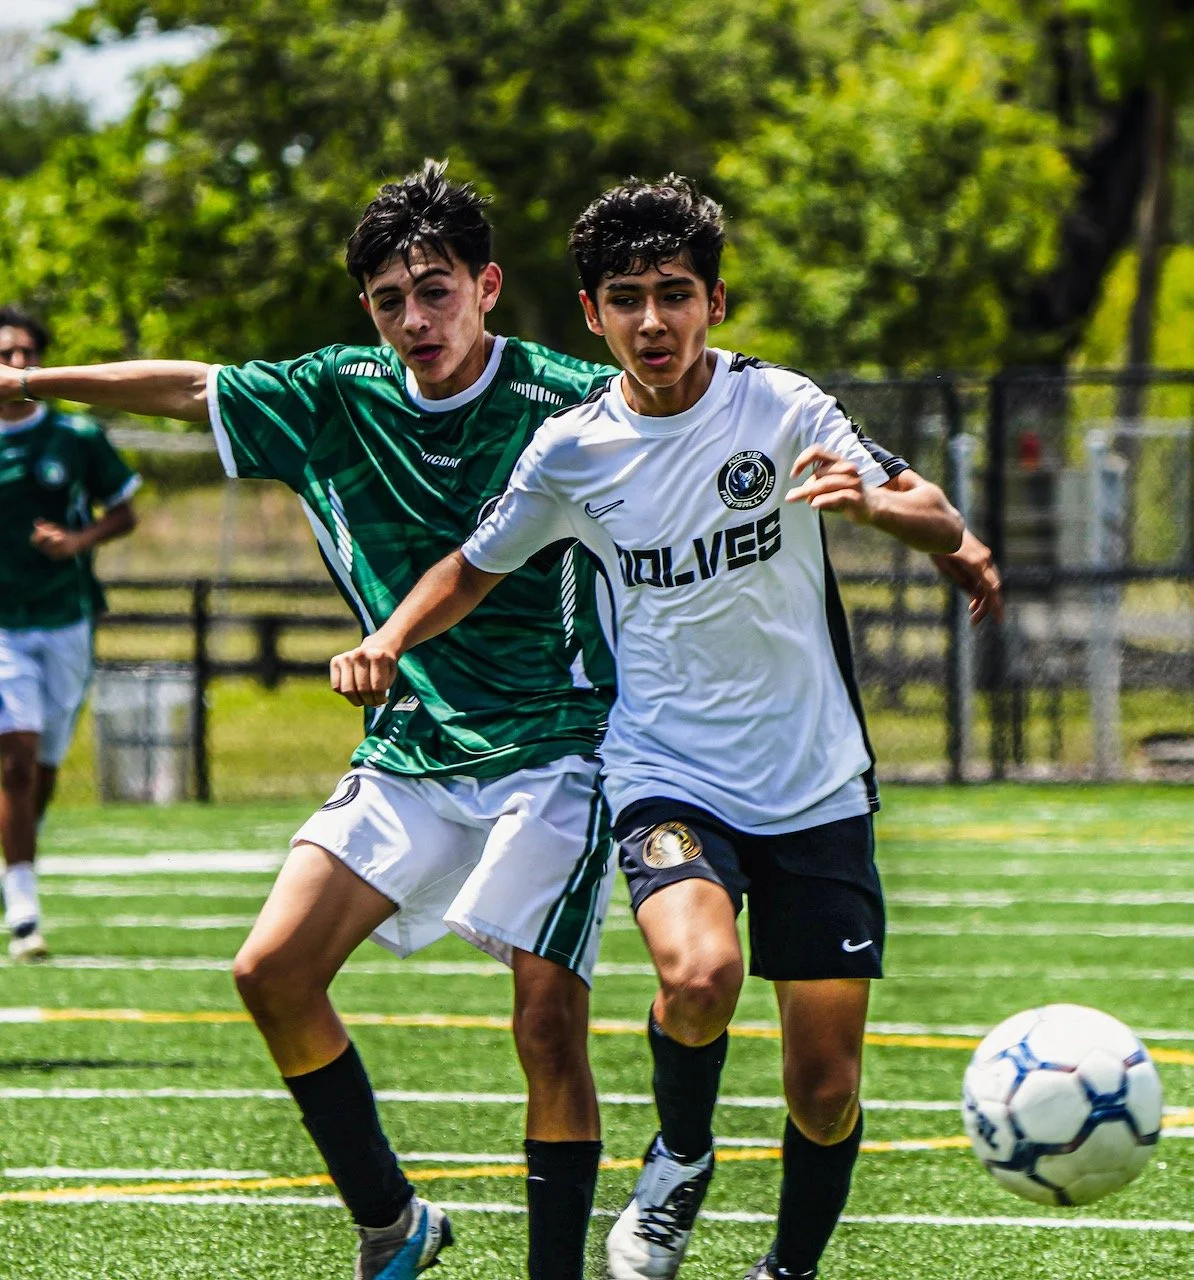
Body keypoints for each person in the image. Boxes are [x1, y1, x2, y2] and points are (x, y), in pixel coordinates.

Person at [331, 175, 969, 1280]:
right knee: (698, 972)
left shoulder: (782, 407)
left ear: (715, 301)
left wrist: (877, 506)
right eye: (625, 298)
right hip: (666, 770)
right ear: (592, 313)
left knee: (825, 1090)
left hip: (816, 782)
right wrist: (389, 637)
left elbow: (934, 510)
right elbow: (470, 568)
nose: (652, 321)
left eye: (675, 294)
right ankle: (678, 1156)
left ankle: (789, 1268)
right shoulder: (574, 449)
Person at [0, 164, 620, 1280]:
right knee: (272, 970)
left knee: (544, 1018)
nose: (415, 319)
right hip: (415, 745)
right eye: (390, 300)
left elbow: (703, 425)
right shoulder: (339, 393)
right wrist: (39, 376)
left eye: (435, 290)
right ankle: (393, 1219)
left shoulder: (574, 400)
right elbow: (193, 389)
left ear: (485, 286)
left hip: (556, 744)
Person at [0, 306, 139, 963]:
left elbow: (127, 511)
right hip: (4, 628)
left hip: (67, 619)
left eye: (27, 353)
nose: (17, 365)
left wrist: (78, 541)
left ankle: (18, 850)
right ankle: (24, 910)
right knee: (16, 757)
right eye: (6, 353)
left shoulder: (75, 434)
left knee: (44, 768)